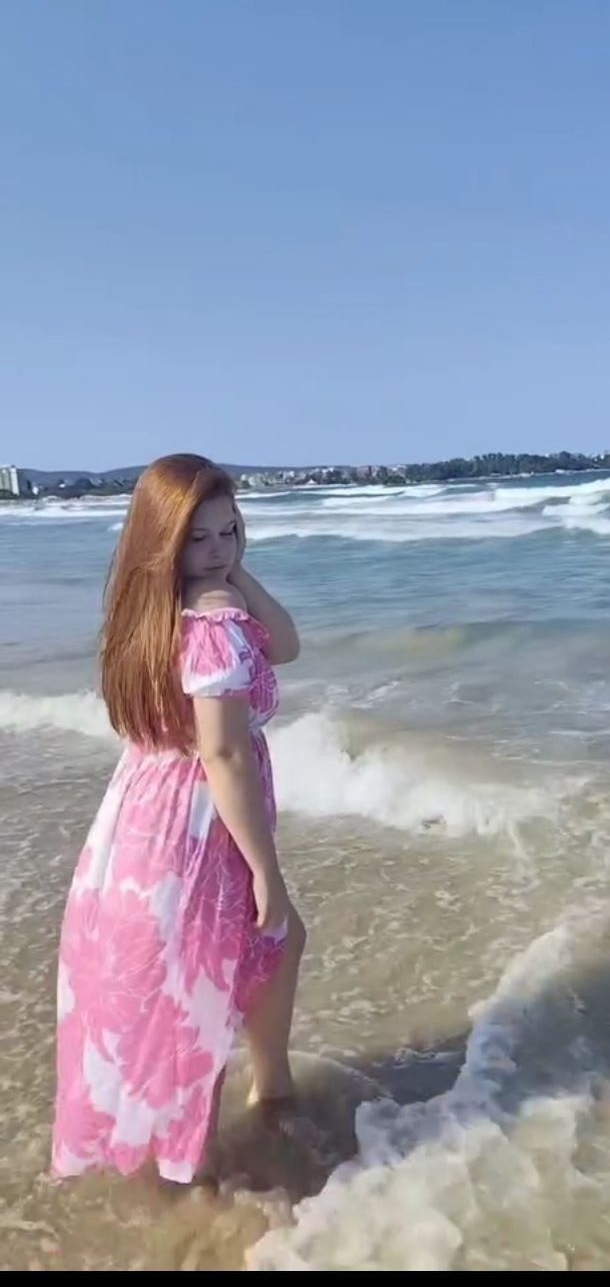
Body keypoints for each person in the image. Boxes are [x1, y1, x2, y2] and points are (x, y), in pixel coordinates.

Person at [52, 454, 305, 1186]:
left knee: (206, 973)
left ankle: (258, 1098)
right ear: (163, 540)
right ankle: (208, 1158)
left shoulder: (151, 613)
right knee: (217, 977)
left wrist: (232, 572)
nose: (218, 549)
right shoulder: (214, 627)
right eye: (198, 538)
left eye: (230, 531)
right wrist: (265, 869)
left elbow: (286, 645)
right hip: (196, 827)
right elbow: (223, 753)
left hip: (141, 816)